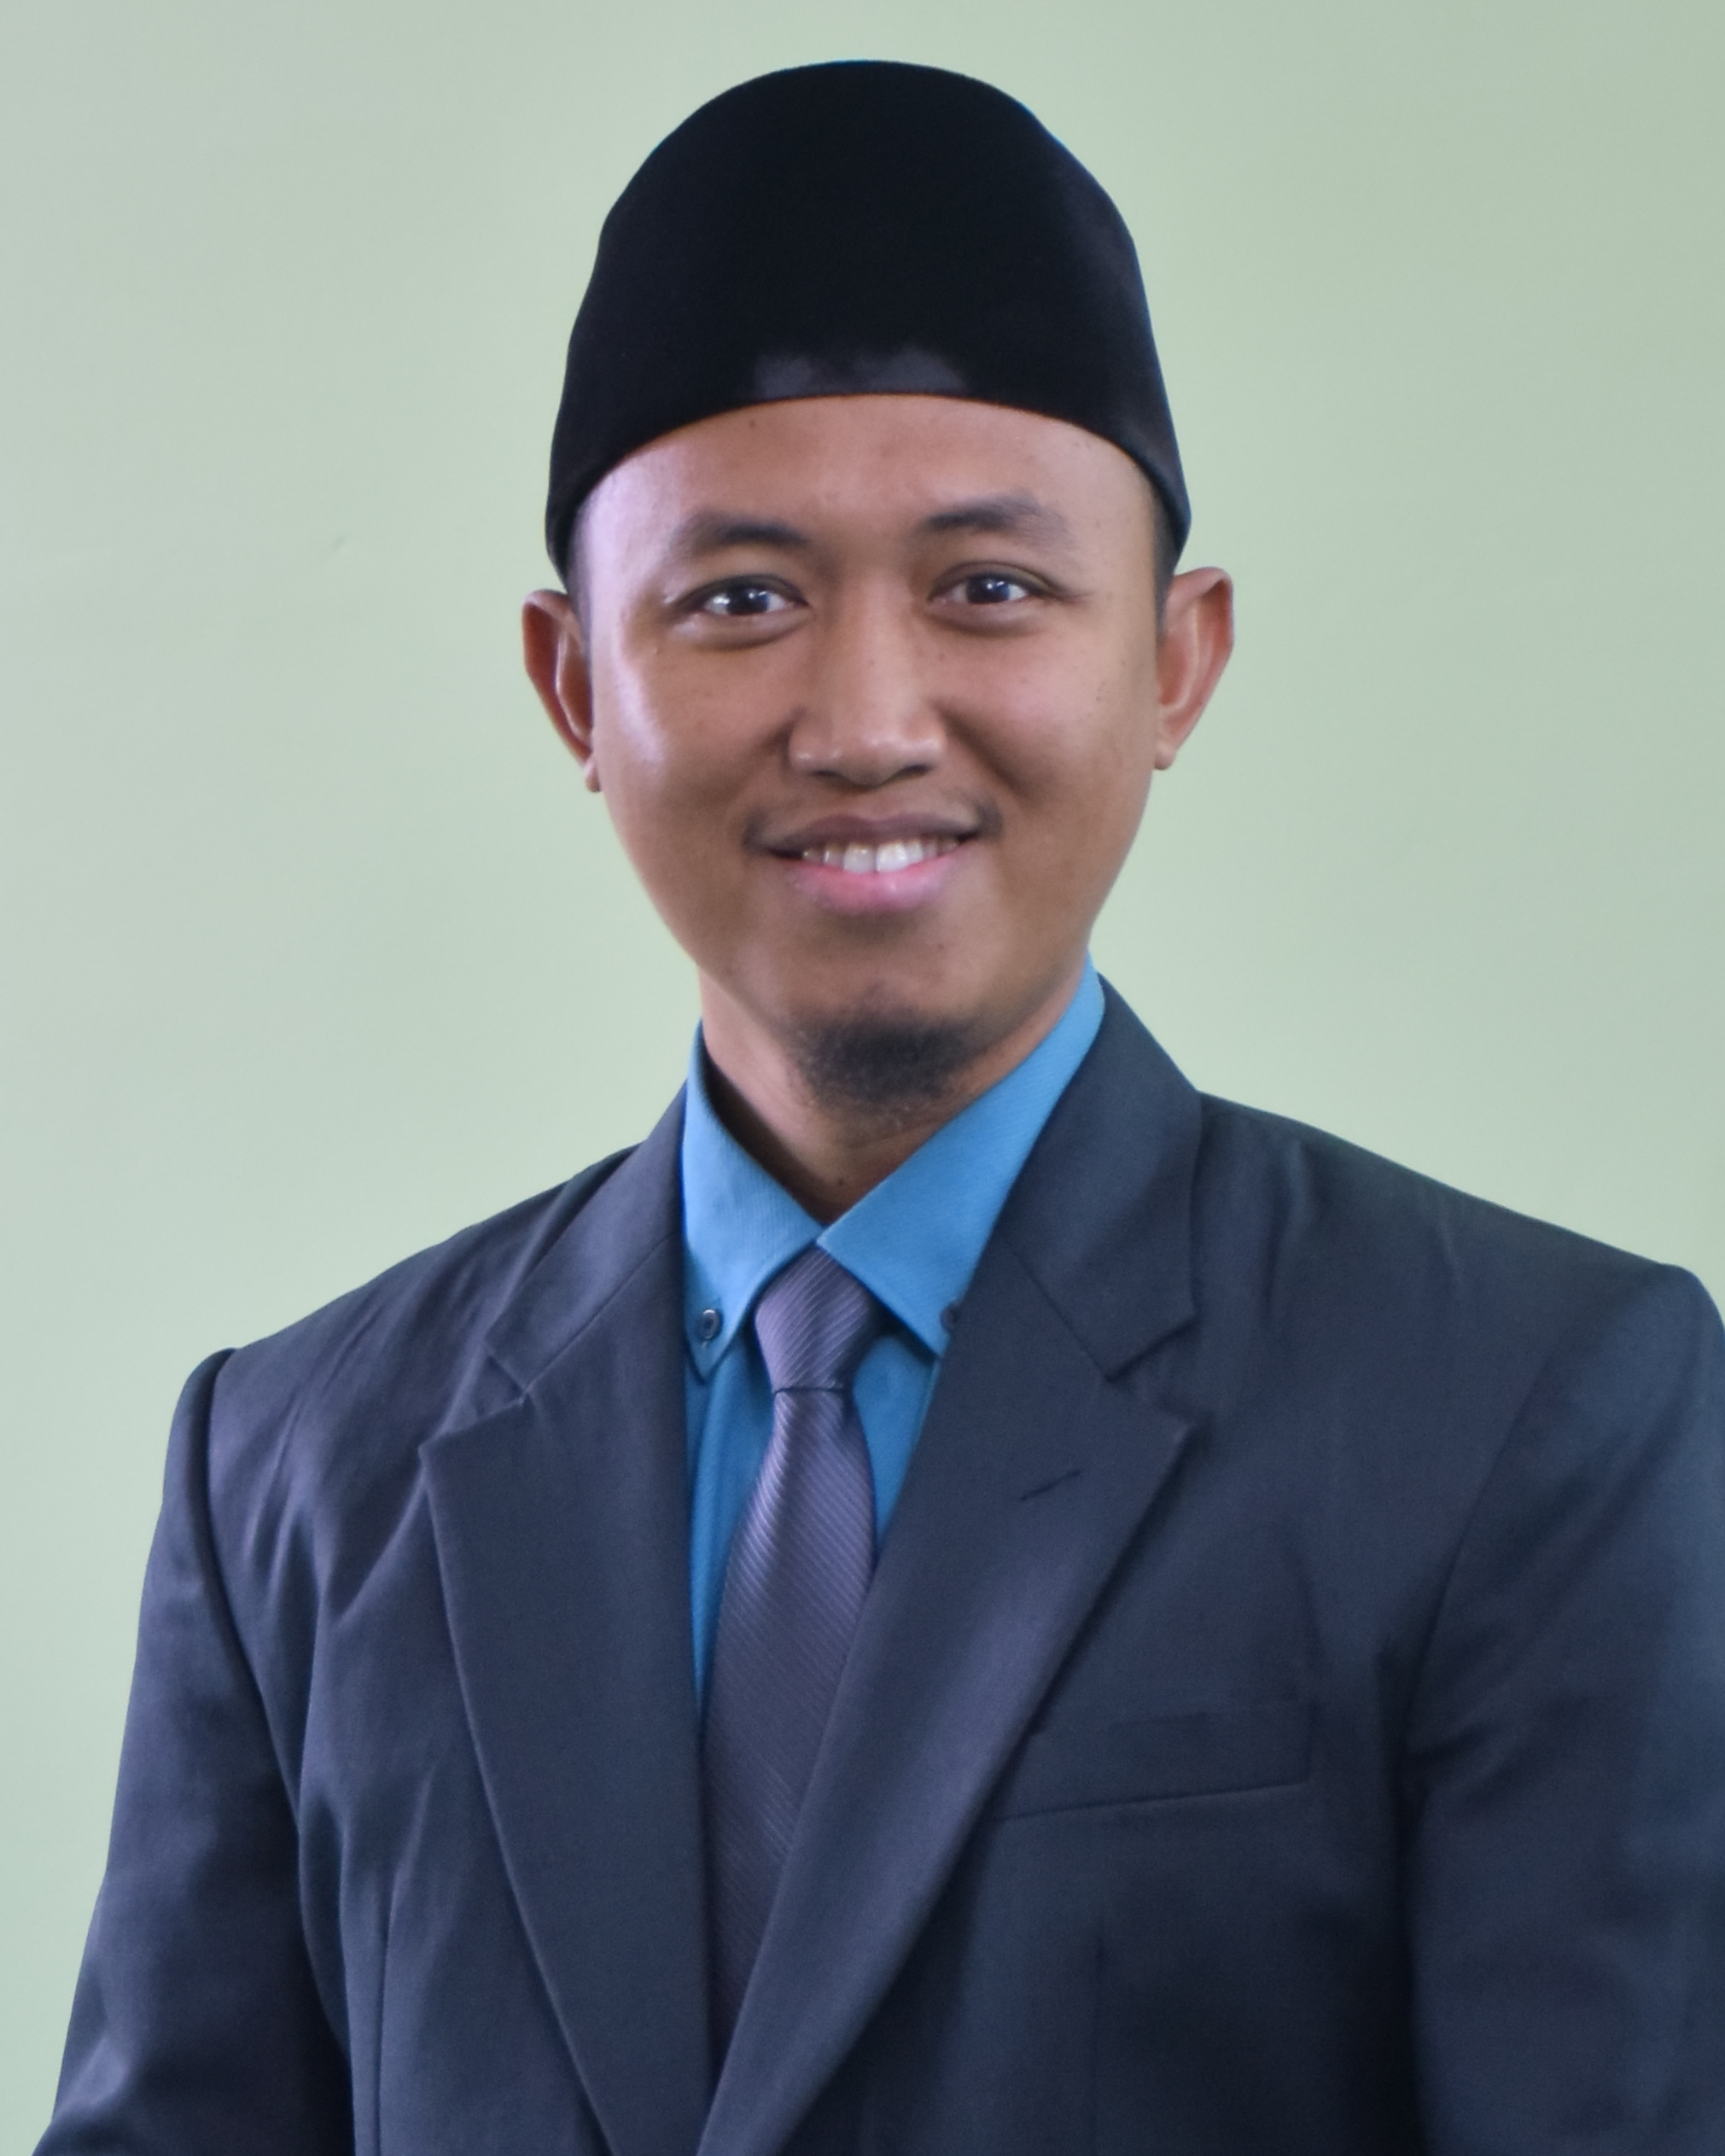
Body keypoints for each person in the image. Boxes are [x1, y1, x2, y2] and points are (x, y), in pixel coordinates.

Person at [38, 60, 1725, 2156]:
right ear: (575, 684)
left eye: (986, 588)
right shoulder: (293, 1468)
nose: (861, 723)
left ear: (1173, 661)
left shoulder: (1525, 1412)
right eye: (739, 598)